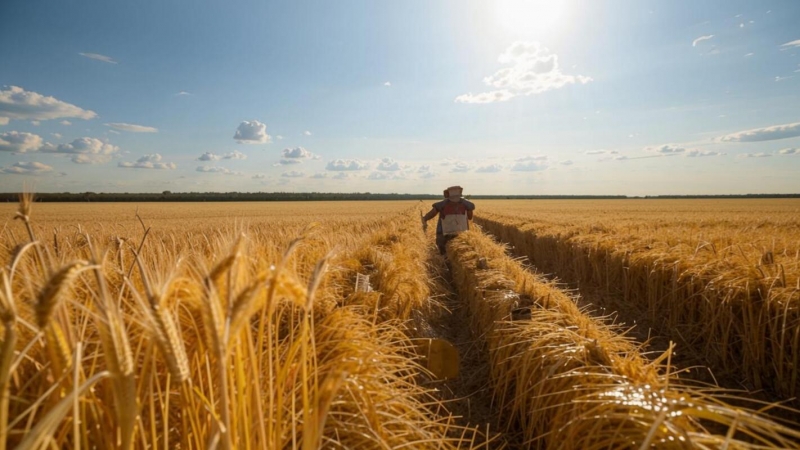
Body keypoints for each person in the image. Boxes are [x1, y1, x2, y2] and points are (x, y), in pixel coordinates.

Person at [422, 185, 475, 254]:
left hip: (443, 231)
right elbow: (470, 217)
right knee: (460, 251)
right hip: (461, 231)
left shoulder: (441, 204)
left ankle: (444, 263)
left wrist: (424, 219)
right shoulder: (467, 204)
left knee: (442, 250)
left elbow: (432, 213)